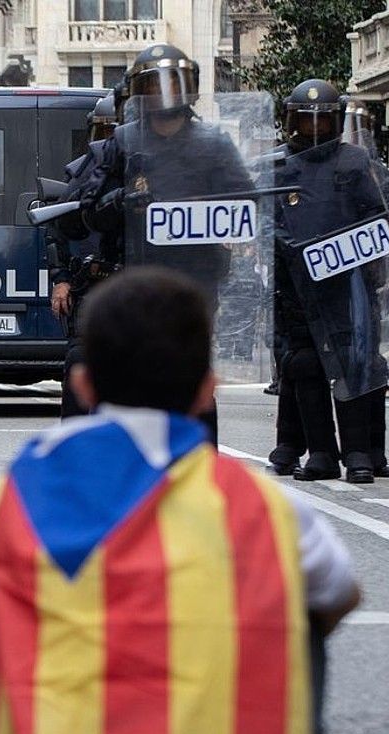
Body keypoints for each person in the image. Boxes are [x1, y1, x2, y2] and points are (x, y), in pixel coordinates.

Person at [0, 268, 361, 734]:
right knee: (300, 606)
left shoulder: (12, 501)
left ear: (84, 386)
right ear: (207, 391)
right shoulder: (264, 510)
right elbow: (340, 593)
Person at [78, 44, 258, 444]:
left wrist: (207, 206)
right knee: (125, 375)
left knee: (191, 377)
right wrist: (122, 202)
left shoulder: (213, 144)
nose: (166, 94)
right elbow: (89, 211)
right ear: (139, 92)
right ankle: (119, 463)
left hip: (194, 281)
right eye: (154, 86)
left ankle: (201, 465)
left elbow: (246, 200)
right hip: (132, 277)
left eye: (174, 84)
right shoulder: (120, 143)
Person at [272, 80, 389, 484]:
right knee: (306, 366)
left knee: (354, 364)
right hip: (298, 286)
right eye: (304, 121)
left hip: (349, 286)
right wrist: (286, 246)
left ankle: (359, 451)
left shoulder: (355, 163)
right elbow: (262, 222)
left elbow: (380, 218)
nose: (312, 129)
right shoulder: (277, 167)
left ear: (336, 122)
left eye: (322, 121)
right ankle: (321, 452)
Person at [55, 90, 119, 419]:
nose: (109, 142)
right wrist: (62, 279)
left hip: (135, 286)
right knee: (79, 362)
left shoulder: (150, 175)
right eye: (104, 132)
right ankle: (74, 447)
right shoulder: (81, 176)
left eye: (116, 133)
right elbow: (60, 230)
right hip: (90, 284)